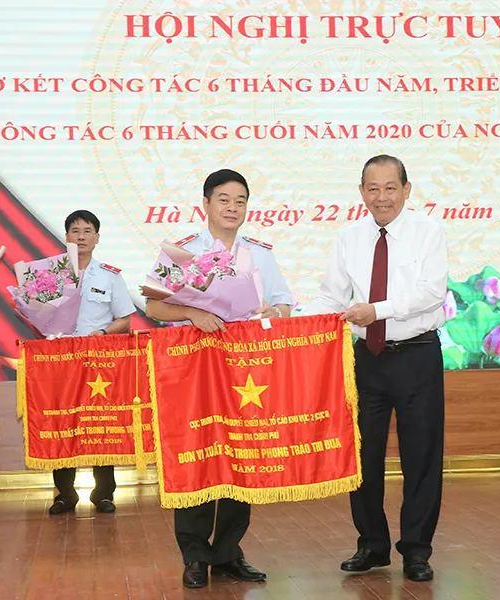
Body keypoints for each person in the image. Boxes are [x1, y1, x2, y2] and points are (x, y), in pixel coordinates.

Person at [145, 169, 293, 589]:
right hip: (194, 371)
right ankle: (194, 554)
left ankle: (228, 552)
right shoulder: (183, 252)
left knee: (241, 456)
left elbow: (284, 304)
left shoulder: (259, 255)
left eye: (240, 201)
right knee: (197, 455)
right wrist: (192, 312)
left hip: (246, 372)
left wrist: (274, 312)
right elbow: (153, 307)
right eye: (224, 199)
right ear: (206, 204)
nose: (232, 207)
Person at [309, 155, 448, 582]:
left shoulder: (428, 232)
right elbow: (331, 297)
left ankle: (417, 551)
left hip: (417, 356)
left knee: (421, 458)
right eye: (373, 188)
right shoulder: (348, 237)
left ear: (407, 190)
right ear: (361, 192)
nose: (381, 197)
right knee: (362, 457)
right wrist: (290, 322)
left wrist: (377, 310)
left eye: (390, 188)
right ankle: (371, 545)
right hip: (366, 360)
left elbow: (431, 293)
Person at [48, 210, 135, 516]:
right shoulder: (51, 275)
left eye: (87, 231)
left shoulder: (109, 276)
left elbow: (125, 319)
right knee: (63, 423)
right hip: (62, 360)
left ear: (97, 238)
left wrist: (102, 333)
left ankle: (103, 493)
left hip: (99, 361)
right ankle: (65, 494)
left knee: (101, 423)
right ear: (66, 237)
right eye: (75, 231)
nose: (81, 236)